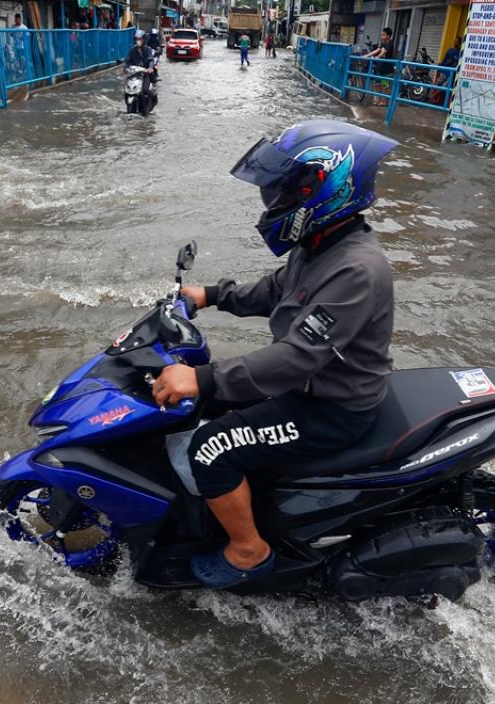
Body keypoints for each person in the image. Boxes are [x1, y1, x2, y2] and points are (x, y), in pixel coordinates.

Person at [151, 120, 399, 588]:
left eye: (283, 193)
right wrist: (211, 294)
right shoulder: (322, 244)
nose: (273, 203)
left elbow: (296, 357)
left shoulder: (357, 269)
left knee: (211, 449)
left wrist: (202, 378)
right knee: (205, 402)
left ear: (322, 190)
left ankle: (249, 551)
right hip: (309, 387)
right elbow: (276, 291)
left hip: (332, 407)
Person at [124, 29, 156, 105]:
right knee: (127, 90)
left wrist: (150, 68)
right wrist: (124, 67)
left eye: (140, 39)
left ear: (144, 40)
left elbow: (151, 60)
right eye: (137, 39)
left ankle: (154, 97)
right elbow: (127, 60)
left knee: (145, 89)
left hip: (145, 74)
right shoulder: (132, 50)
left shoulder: (148, 49)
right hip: (134, 75)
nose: (138, 41)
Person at [367, 27, 396, 104]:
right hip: (380, 67)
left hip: (387, 68)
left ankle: (384, 101)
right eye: (381, 34)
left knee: (385, 85)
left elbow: (384, 52)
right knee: (377, 84)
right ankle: (378, 99)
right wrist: (367, 55)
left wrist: (378, 57)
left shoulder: (390, 43)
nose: (382, 36)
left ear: (388, 36)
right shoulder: (383, 43)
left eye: (383, 34)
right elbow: (378, 50)